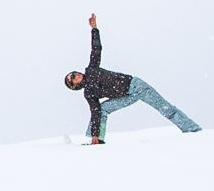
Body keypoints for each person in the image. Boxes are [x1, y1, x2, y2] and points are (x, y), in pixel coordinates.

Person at [64, 14, 200, 144]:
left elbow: (96, 50)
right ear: (74, 86)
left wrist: (94, 29)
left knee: (165, 108)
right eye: (73, 77)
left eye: (75, 72)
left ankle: (193, 130)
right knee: (102, 109)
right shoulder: (89, 93)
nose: (77, 74)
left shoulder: (91, 70)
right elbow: (95, 112)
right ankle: (97, 139)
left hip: (136, 86)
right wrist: (94, 134)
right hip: (125, 97)